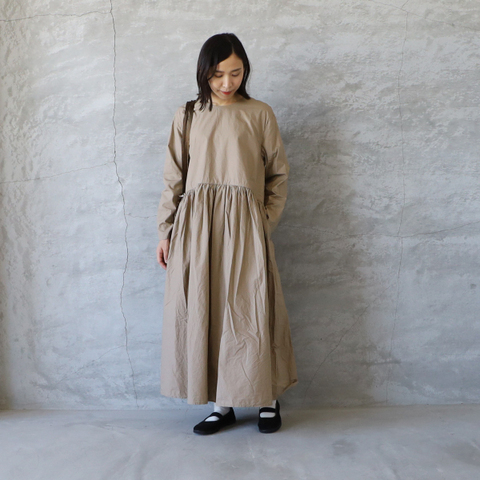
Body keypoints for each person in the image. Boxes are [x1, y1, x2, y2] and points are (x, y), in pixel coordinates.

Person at [156, 33, 298, 435]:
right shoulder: (188, 114)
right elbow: (173, 177)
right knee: (208, 310)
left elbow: (278, 176)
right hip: (197, 229)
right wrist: (166, 230)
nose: (226, 82)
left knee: (250, 308)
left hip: (245, 228)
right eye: (218, 74)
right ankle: (222, 405)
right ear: (204, 72)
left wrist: (263, 222)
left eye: (235, 73)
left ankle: (267, 400)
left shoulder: (259, 113)